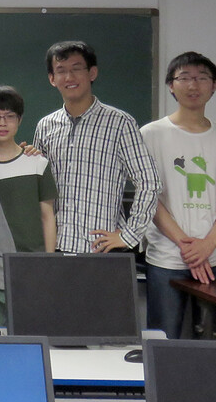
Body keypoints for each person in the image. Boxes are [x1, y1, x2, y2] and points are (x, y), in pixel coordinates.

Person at [142, 52, 216, 339]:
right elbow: (149, 198)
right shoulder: (150, 135)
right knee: (163, 340)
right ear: (171, 85)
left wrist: (207, 246)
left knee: (214, 341)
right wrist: (188, 246)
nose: (193, 85)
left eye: (202, 78)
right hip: (168, 259)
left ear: (214, 86)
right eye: (184, 78)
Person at [33, 41, 161, 254]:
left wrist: (129, 236)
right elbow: (39, 190)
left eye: (76, 69)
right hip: (54, 248)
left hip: (100, 250)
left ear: (92, 73)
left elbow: (150, 181)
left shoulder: (120, 123)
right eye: (61, 71)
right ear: (52, 79)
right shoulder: (45, 126)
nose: (69, 77)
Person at [0, 86, 57, 328]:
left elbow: (48, 217)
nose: (2, 123)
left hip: (32, 274)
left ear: (20, 120)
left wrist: (48, 263)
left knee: (34, 346)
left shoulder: (37, 163)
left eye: (9, 116)